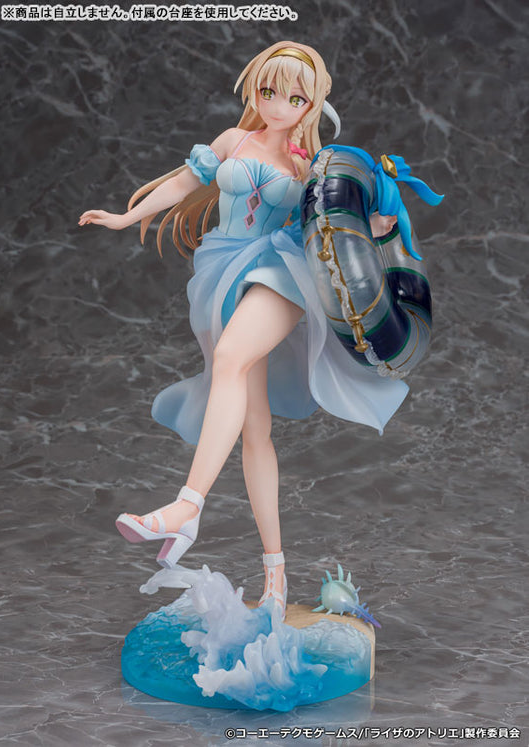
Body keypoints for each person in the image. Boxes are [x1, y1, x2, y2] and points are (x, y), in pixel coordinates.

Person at [78, 41, 403, 619]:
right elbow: (183, 184)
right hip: (223, 271)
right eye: (268, 91)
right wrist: (126, 217)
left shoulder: (310, 166)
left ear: (311, 105)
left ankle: (186, 507)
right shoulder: (233, 140)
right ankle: (276, 572)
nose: (278, 105)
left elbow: (341, 226)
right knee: (255, 431)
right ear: (255, 88)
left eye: (294, 98)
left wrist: (378, 222)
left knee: (230, 358)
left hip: (281, 272)